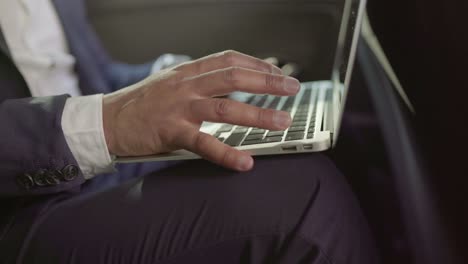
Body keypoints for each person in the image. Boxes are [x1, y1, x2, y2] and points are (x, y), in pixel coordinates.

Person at [0, 0, 379, 263]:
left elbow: (85, 76)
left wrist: (187, 83)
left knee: (315, 141)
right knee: (303, 197)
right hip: (15, 213)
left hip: (88, 162)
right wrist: (109, 122)